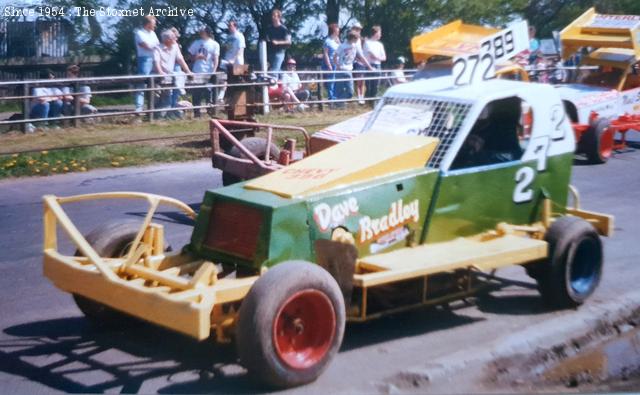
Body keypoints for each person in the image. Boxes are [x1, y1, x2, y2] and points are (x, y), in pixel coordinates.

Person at [153, 30, 192, 118]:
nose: (175, 39)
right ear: (167, 39)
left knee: (168, 97)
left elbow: (180, 60)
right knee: (157, 98)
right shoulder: (157, 48)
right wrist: (160, 73)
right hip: (158, 76)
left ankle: (163, 117)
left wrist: (188, 71)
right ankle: (157, 116)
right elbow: (156, 62)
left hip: (169, 75)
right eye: (173, 38)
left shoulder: (175, 47)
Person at [334, 31, 374, 108]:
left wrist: (369, 67)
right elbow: (335, 56)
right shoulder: (342, 46)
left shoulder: (355, 46)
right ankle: (339, 106)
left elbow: (362, 57)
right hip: (340, 70)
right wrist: (337, 65)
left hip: (349, 71)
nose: (357, 40)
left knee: (350, 92)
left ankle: (338, 102)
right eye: (356, 38)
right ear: (352, 38)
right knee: (339, 90)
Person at [188, 26, 220, 117]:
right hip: (197, 70)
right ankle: (197, 113)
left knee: (208, 92)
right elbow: (189, 57)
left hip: (208, 71)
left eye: (202, 31)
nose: (201, 33)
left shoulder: (214, 44)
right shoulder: (196, 43)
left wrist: (213, 71)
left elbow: (216, 58)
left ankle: (211, 111)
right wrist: (196, 57)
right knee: (196, 93)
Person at [133, 16, 159, 114]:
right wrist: (155, 47)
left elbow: (157, 45)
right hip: (144, 59)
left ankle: (152, 106)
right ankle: (139, 108)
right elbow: (146, 46)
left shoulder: (153, 33)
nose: (155, 25)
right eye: (154, 23)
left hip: (154, 59)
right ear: (148, 23)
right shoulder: (139, 33)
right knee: (142, 83)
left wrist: (155, 47)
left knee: (154, 83)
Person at [217, 20, 246, 101]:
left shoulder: (240, 36)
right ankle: (221, 97)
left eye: (230, 26)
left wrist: (233, 59)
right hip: (227, 60)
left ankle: (237, 99)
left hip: (237, 61)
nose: (229, 27)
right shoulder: (228, 37)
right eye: (228, 26)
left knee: (238, 81)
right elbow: (227, 48)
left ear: (235, 26)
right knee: (224, 78)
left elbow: (241, 49)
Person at [363, 25, 386, 99]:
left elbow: (384, 57)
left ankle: (374, 101)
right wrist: (378, 58)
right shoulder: (367, 43)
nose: (381, 35)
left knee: (376, 85)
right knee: (369, 84)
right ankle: (368, 101)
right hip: (369, 65)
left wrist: (378, 58)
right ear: (375, 33)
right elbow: (371, 55)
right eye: (380, 33)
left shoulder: (380, 45)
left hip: (378, 65)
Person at [265, 9, 291, 74]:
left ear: (279, 17)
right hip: (271, 53)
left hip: (279, 52)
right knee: (277, 69)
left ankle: (273, 83)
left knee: (274, 70)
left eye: (275, 16)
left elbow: (289, 42)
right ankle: (285, 78)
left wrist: (278, 42)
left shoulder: (284, 29)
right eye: (272, 16)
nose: (273, 17)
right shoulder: (269, 28)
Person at [322, 23, 340, 102]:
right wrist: (329, 64)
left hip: (337, 63)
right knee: (331, 80)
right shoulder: (327, 41)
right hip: (331, 64)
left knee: (336, 81)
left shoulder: (336, 41)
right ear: (334, 31)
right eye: (337, 30)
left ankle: (336, 96)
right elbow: (325, 53)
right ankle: (331, 97)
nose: (338, 31)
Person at [350, 22, 367, 104]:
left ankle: (362, 97)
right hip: (356, 61)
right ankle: (359, 97)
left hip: (362, 61)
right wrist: (357, 58)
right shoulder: (351, 39)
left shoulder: (361, 39)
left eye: (359, 29)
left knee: (362, 81)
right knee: (358, 81)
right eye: (357, 29)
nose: (358, 30)